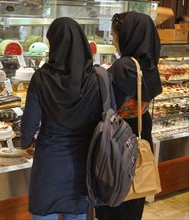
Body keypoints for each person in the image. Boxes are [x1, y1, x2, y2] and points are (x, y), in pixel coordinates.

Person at [20, 17, 103, 220]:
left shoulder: (41, 77)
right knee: (76, 213)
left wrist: (25, 141)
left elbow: (30, 122)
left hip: (50, 159)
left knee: (44, 212)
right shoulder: (97, 78)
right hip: (83, 161)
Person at [95, 11, 162, 220]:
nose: (114, 43)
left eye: (115, 37)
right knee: (135, 192)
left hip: (119, 138)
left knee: (114, 195)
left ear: (128, 37)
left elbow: (107, 105)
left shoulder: (124, 66)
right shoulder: (150, 65)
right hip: (142, 132)